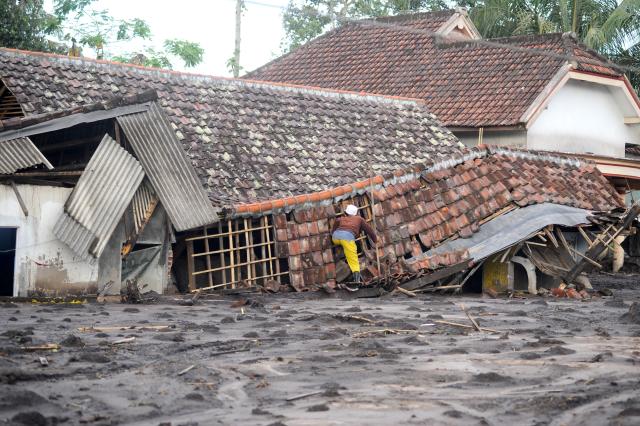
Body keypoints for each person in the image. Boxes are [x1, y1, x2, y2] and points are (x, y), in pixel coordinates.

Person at [331, 204, 377, 283]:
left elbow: (333, 230)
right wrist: (375, 239)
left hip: (335, 238)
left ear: (346, 212)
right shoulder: (359, 219)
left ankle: (342, 249)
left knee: (344, 244)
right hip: (347, 238)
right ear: (356, 213)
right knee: (353, 259)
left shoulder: (340, 219)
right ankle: (357, 281)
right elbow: (369, 230)